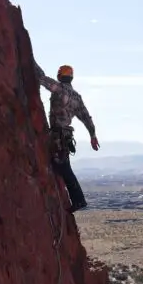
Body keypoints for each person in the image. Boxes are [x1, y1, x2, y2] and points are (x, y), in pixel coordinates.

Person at [33, 61, 100, 213]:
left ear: (60, 76)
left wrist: (32, 63)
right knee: (62, 166)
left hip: (58, 135)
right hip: (66, 136)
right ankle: (77, 199)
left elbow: (42, 79)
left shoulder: (59, 89)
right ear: (71, 78)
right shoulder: (76, 97)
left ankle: (79, 200)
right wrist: (93, 135)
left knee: (63, 167)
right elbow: (86, 118)